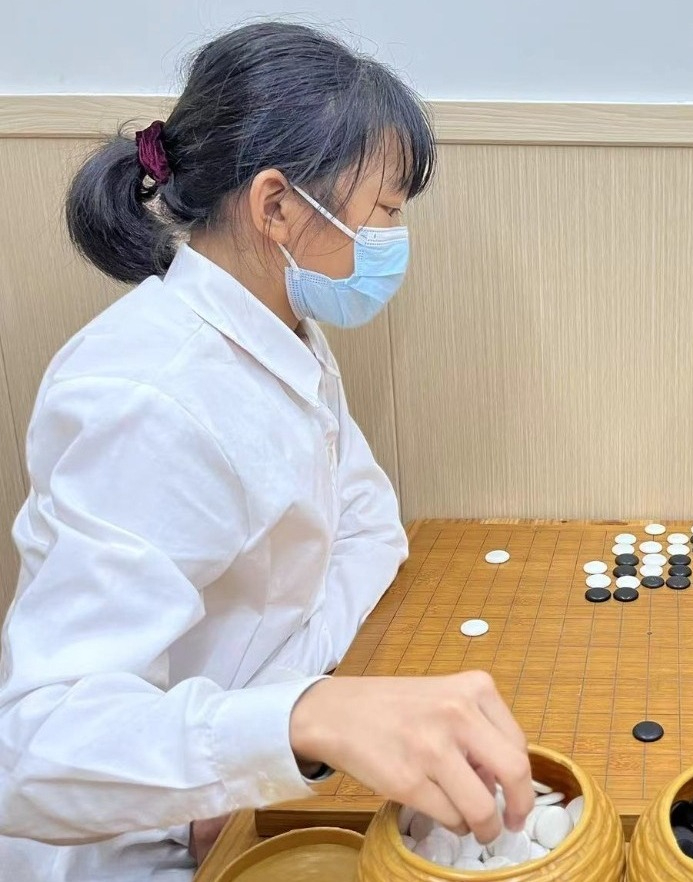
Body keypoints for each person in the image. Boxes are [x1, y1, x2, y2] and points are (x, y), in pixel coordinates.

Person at [0, 22, 532, 881]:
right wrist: (290, 724)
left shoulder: (284, 331)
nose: (393, 238)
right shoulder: (147, 396)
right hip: (140, 848)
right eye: (385, 212)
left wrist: (284, 719)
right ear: (277, 206)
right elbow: (36, 749)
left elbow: (369, 526)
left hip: (238, 794)